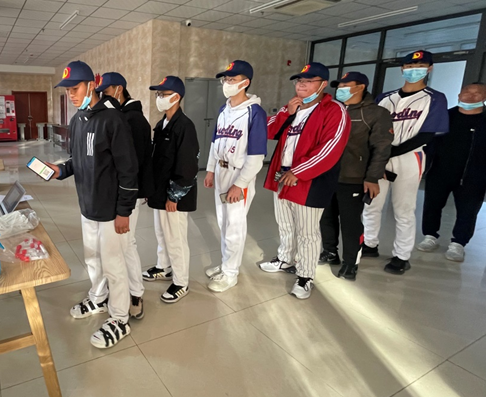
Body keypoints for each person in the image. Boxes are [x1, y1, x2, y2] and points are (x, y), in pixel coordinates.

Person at [43, 61, 139, 349]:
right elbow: (77, 160)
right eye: (67, 91)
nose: (71, 95)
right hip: (88, 205)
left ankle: (120, 318)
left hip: (111, 211)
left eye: (75, 89)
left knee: (113, 264)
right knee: (92, 258)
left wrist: (124, 211)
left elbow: (129, 171)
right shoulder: (78, 120)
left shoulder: (113, 120)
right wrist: (60, 170)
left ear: (91, 86)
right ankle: (98, 298)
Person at [260, 62, 350, 299]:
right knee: (285, 224)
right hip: (282, 175)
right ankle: (284, 258)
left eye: (309, 81)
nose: (301, 85)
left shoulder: (334, 110)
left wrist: (298, 172)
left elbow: (331, 147)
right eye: (299, 81)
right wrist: (286, 114)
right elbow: (268, 131)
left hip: (310, 180)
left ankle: (305, 276)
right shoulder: (293, 106)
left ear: (322, 84)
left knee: (307, 232)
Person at [362, 50, 449, 274]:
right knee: (371, 204)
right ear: (402, 69)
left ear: (429, 69)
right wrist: (378, 155)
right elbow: (371, 128)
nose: (413, 70)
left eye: (419, 66)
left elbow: (427, 135)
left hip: (410, 157)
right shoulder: (385, 98)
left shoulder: (435, 98)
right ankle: (370, 244)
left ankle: (402, 256)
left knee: (403, 209)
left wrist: (387, 153)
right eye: (409, 66)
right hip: (380, 157)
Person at [319, 72, 393, 280]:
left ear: (360, 87)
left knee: (350, 223)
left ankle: (350, 262)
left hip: (353, 177)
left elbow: (382, 148)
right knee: (326, 217)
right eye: (339, 85)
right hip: (326, 175)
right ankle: (330, 251)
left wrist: (372, 178)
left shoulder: (376, 113)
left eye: (345, 85)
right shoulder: (331, 109)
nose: (340, 89)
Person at [202, 61, 267, 292]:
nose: (227, 83)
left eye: (232, 79)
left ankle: (231, 274)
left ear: (245, 82)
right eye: (226, 79)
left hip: (239, 174)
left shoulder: (255, 112)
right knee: (223, 222)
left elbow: (256, 156)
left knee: (234, 226)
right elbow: (215, 143)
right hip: (221, 171)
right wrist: (211, 170)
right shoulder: (224, 109)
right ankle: (225, 264)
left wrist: (240, 184)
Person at [96, 72, 154, 320]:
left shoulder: (133, 120)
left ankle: (135, 294)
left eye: (107, 92)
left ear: (119, 89)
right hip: (119, 193)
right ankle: (126, 289)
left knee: (126, 244)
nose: (103, 97)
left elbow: (131, 167)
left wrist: (125, 202)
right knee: (122, 244)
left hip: (129, 194)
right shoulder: (119, 116)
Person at [142, 76, 200, 303]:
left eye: (163, 94)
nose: (159, 98)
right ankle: (164, 266)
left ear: (176, 97)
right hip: (160, 191)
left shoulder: (184, 126)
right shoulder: (162, 124)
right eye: (158, 94)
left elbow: (187, 166)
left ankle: (181, 281)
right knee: (161, 233)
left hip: (174, 195)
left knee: (175, 238)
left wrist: (174, 196)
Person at [418, 82, 486, 262]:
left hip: (473, 175)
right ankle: (430, 236)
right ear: (459, 95)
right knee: (432, 205)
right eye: (467, 92)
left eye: (477, 93)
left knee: (468, 211)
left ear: (484, 97)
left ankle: (458, 244)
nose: (470, 96)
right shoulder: (445, 117)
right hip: (439, 171)